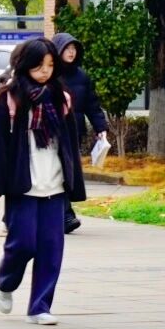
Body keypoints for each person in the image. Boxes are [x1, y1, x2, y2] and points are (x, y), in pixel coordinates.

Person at [0, 38, 86, 326]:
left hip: (55, 184)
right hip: (23, 185)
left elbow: (69, 144)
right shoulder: (10, 97)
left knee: (51, 249)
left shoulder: (60, 98)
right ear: (24, 64)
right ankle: (6, 280)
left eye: (50, 65)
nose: (45, 71)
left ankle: (40, 306)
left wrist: (75, 182)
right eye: (39, 65)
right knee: (23, 244)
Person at [52, 32, 107, 234]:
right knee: (56, 172)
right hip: (53, 132)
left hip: (75, 132)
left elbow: (92, 105)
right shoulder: (50, 74)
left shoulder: (82, 76)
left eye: (74, 48)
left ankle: (65, 214)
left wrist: (101, 128)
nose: (71, 52)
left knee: (68, 172)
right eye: (67, 48)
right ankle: (65, 215)